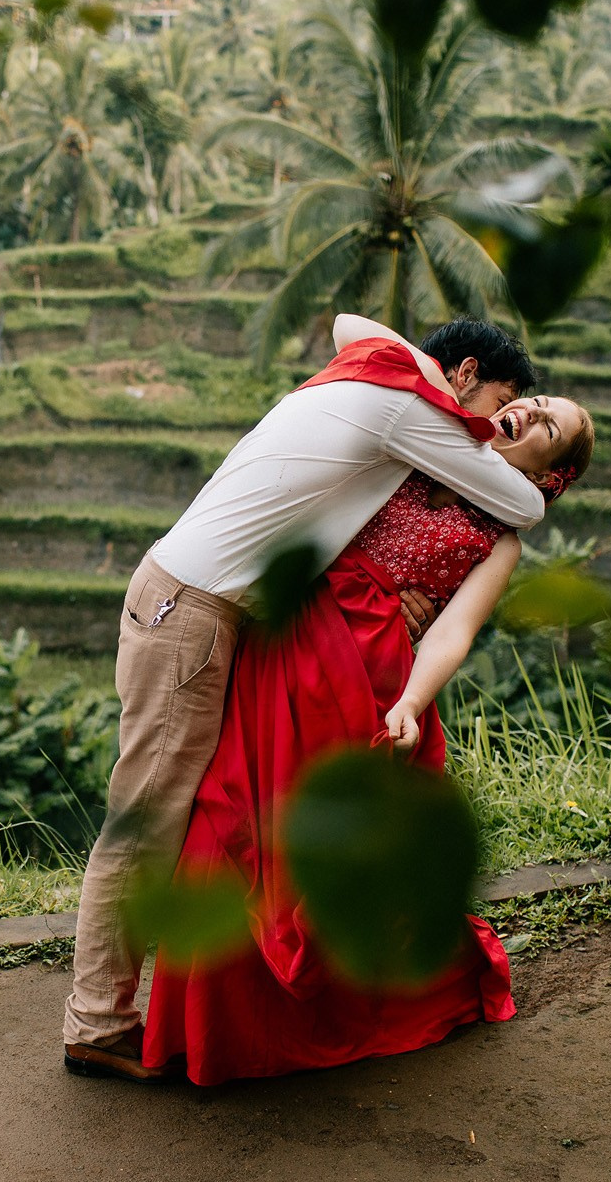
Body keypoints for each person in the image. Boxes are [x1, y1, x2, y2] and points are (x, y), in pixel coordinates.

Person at [63, 315, 551, 1082]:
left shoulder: (377, 372)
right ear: (461, 374)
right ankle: (97, 1023)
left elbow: (347, 324)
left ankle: (125, 1010)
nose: (493, 422)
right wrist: (459, 411)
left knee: (192, 815)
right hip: (190, 611)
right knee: (149, 818)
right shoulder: (405, 404)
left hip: (204, 609)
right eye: (501, 399)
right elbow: (525, 504)